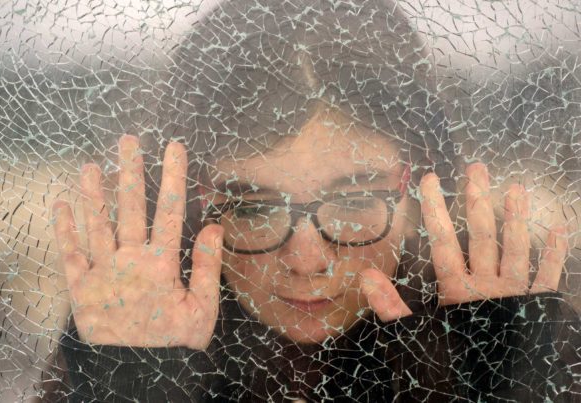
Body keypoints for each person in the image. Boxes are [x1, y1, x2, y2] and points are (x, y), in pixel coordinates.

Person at [52, 0, 581, 401]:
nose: (307, 260)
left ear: (423, 194)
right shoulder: (126, 330)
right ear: (188, 212)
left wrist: (510, 380)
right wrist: (134, 381)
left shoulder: (511, 328)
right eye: (251, 206)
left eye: (355, 200)